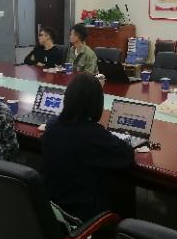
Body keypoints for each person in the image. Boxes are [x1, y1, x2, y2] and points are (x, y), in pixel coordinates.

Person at [42, 73, 134, 221]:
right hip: (82, 218)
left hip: (53, 209)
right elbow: (127, 155)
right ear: (96, 104)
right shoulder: (92, 134)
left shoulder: (52, 125)